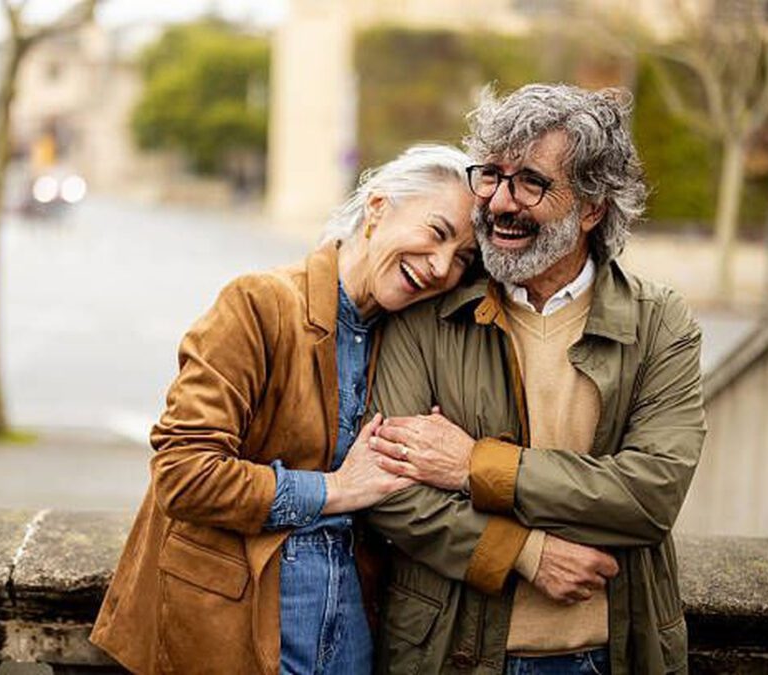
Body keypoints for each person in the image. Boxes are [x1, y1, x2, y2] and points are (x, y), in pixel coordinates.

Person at [89, 144, 480, 674]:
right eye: (437, 232)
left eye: (463, 258)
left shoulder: (406, 338)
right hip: (232, 633)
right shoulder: (259, 304)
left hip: (348, 639)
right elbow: (182, 474)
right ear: (378, 208)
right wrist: (335, 489)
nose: (440, 267)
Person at [361, 84, 706, 674]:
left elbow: (651, 495)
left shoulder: (660, 321)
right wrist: (524, 552)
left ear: (592, 207)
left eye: (531, 183)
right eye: (491, 175)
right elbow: (392, 490)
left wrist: (474, 465)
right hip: (450, 654)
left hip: (612, 653)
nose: (499, 203)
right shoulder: (427, 312)